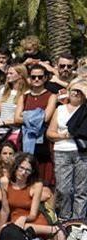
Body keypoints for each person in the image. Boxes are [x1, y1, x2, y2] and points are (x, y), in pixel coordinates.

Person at [48, 80, 86, 221]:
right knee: (63, 189)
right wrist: (62, 135)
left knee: (81, 190)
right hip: (62, 150)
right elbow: (50, 133)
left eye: (79, 91)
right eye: (73, 90)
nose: (76, 93)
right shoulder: (60, 109)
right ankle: (64, 218)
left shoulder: (85, 108)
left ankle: (78, 221)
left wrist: (83, 88)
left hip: (82, 152)